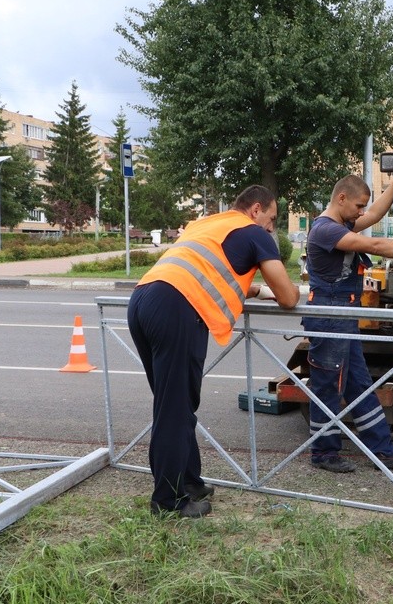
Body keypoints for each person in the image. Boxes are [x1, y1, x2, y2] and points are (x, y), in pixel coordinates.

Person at [128, 185, 300, 518]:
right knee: (175, 409)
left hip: (144, 299)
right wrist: (275, 290)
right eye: (272, 218)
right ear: (255, 210)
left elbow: (210, 270)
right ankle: (167, 501)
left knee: (172, 404)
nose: (271, 227)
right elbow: (289, 297)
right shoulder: (254, 233)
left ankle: (189, 481)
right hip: (178, 306)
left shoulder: (206, 224)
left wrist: (256, 290)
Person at [303, 174, 393, 473]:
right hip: (330, 314)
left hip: (343, 313)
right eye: (358, 205)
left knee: (359, 383)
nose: (361, 211)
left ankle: (382, 450)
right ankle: (323, 452)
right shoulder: (326, 230)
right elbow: (378, 245)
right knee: (330, 383)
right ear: (341, 198)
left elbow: (376, 214)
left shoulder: (342, 223)